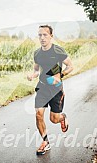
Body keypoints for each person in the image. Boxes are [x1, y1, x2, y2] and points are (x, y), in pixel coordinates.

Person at [27, 25, 73, 155]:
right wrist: (32, 75)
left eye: (45, 35)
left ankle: (62, 117)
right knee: (38, 114)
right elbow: (36, 69)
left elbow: (70, 66)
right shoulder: (37, 53)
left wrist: (60, 76)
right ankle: (45, 142)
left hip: (56, 89)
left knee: (54, 119)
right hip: (42, 87)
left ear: (51, 36)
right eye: (40, 35)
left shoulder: (58, 51)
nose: (42, 38)